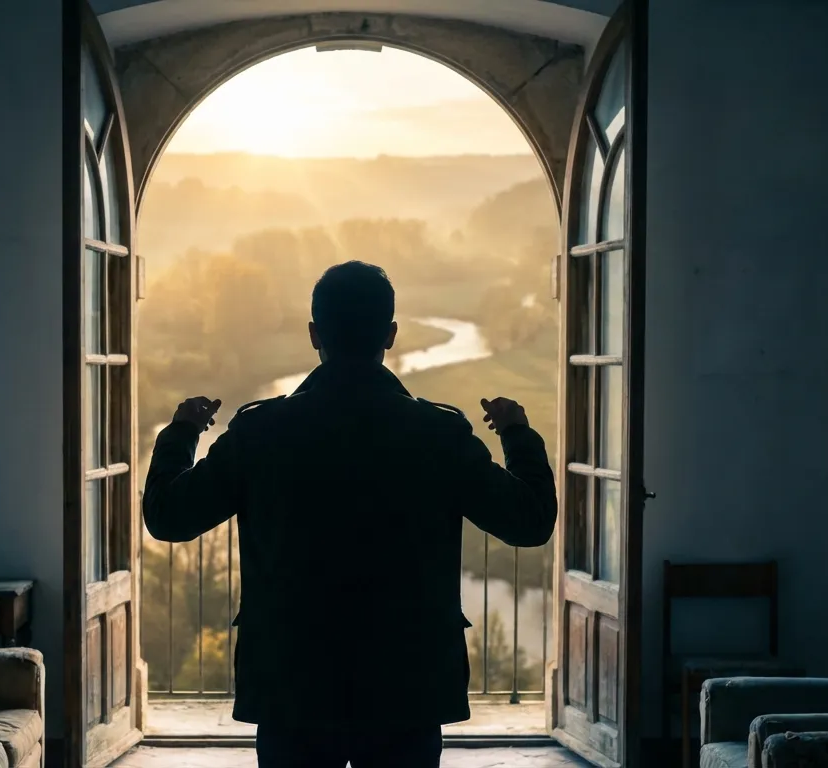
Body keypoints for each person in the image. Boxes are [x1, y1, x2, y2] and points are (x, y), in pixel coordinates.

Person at [143, 260, 557, 768]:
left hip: (292, 687)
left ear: (314, 334)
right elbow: (531, 521)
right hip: (406, 690)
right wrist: (516, 433)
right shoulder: (439, 435)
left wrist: (183, 431)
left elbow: (167, 516)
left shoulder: (260, 433)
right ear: (391, 335)